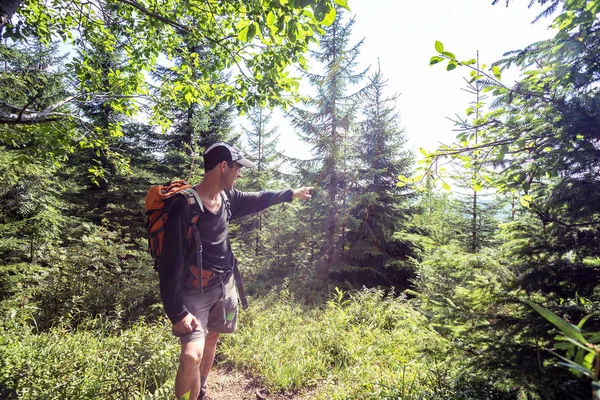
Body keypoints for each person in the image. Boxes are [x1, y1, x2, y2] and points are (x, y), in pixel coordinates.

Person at [158, 142, 312, 400]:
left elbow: (259, 198)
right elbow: (169, 264)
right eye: (238, 168)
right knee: (190, 355)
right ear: (223, 166)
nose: (240, 174)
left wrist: (290, 193)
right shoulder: (183, 206)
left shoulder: (227, 198)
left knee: (213, 337)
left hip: (226, 286)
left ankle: (202, 391)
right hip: (195, 291)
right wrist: (177, 313)